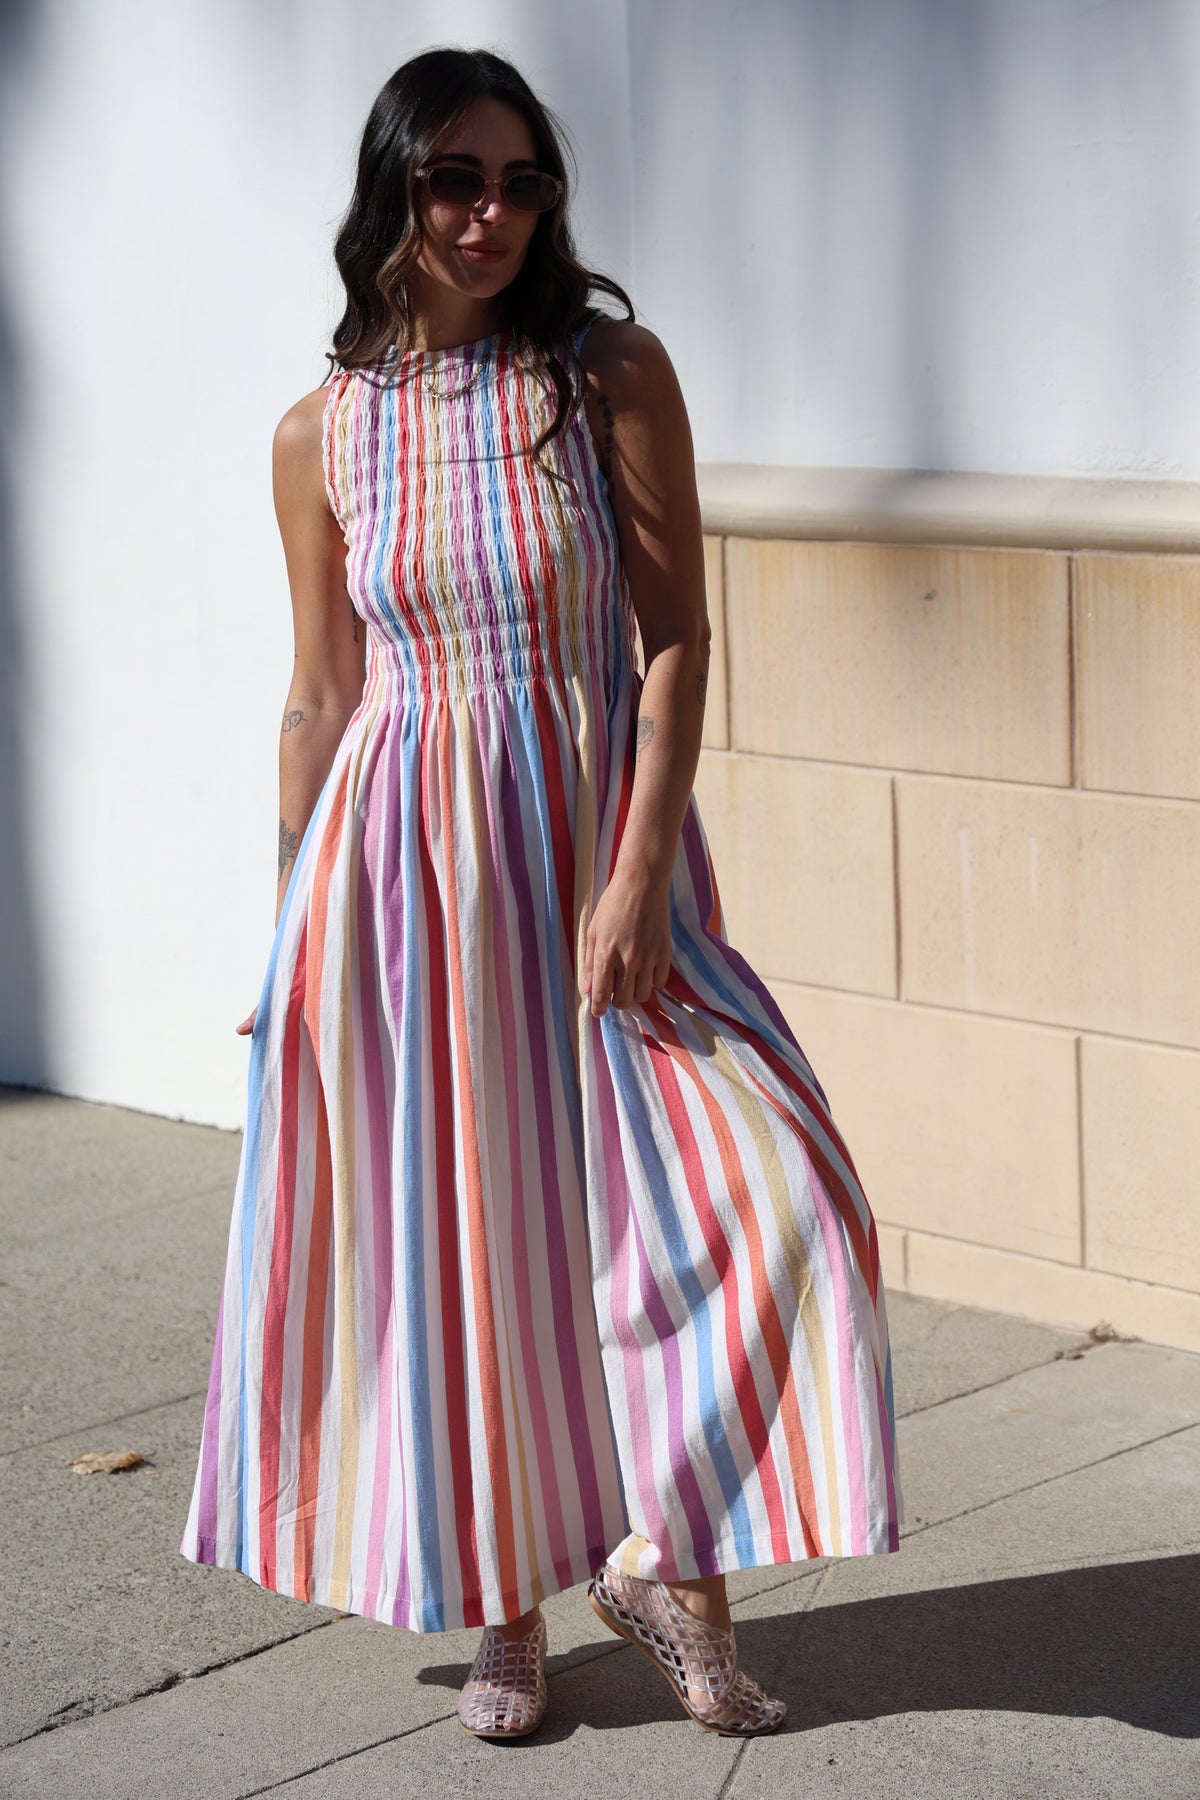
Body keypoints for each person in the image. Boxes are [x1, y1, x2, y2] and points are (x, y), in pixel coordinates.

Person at [179, 45, 902, 1742]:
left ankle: (663, 1565)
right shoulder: (319, 432)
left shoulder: (605, 374)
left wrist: (640, 872)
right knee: (472, 1238)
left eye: (519, 182)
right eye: (455, 179)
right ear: (395, 192)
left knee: (768, 1198)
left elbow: (674, 637)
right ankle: (502, 1604)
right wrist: (293, 936)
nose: (489, 213)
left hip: (590, 850)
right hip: (402, 875)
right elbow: (319, 697)